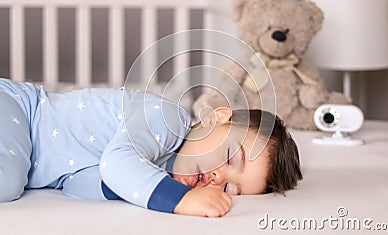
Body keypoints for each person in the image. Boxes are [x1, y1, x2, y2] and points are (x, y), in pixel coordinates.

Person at [0, 78, 302, 217]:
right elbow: (117, 163)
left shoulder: (150, 170)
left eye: (229, 190)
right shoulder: (167, 119)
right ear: (215, 119)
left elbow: (77, 185)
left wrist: (147, 185)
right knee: (7, 181)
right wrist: (179, 200)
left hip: (19, 140)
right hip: (18, 108)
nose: (217, 178)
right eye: (228, 157)